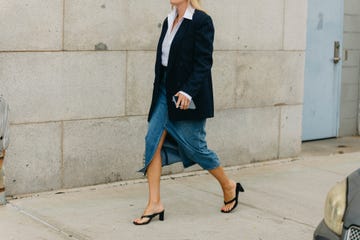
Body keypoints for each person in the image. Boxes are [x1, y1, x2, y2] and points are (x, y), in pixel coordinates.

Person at [133, 0, 244, 225]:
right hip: (165, 91)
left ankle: (228, 185)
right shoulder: (168, 19)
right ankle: (154, 203)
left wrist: (188, 91)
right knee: (151, 142)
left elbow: (203, 62)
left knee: (196, 148)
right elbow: (163, 62)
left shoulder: (201, 21)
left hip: (185, 95)